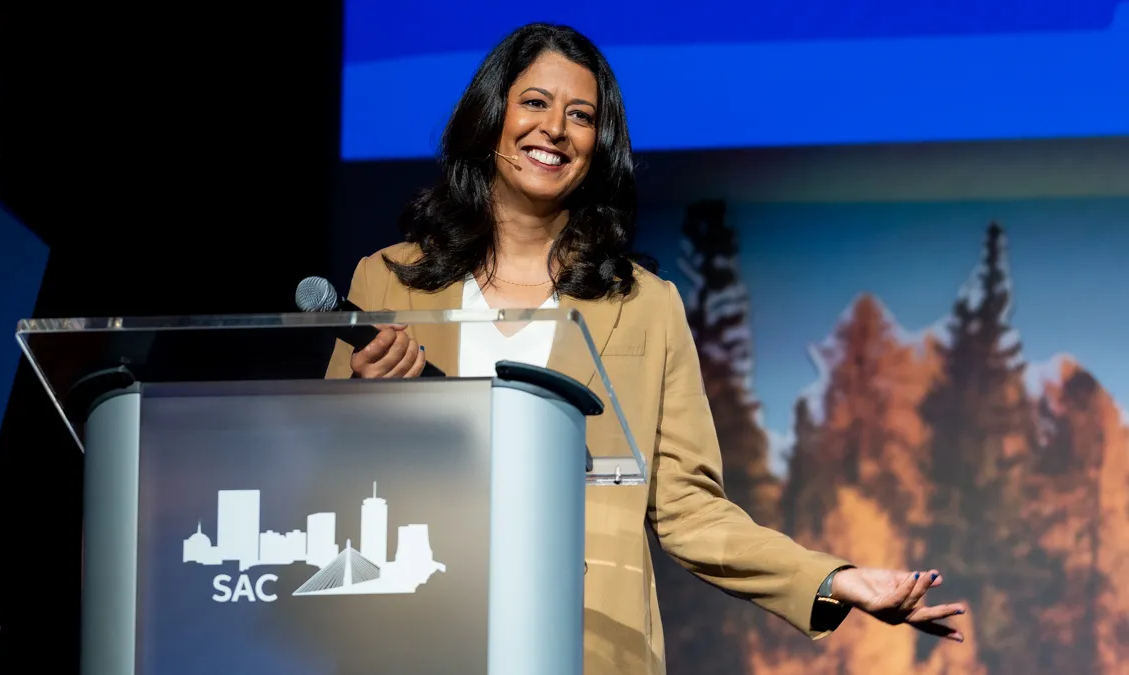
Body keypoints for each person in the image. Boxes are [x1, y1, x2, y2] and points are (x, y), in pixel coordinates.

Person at [326, 22, 966, 675]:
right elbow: (318, 477)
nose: (555, 128)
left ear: (596, 147)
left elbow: (690, 508)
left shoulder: (643, 303)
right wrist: (360, 398)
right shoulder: (386, 280)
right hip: (415, 633)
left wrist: (835, 579)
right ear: (491, 115)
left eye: (581, 116)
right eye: (535, 103)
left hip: (586, 645)